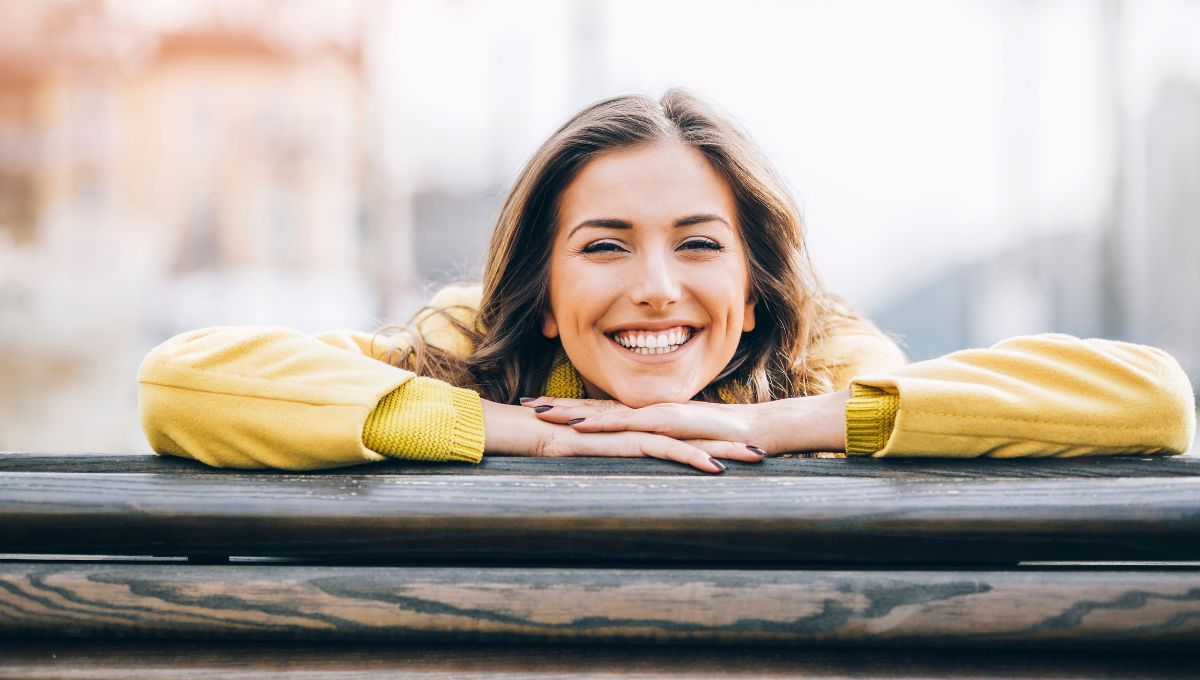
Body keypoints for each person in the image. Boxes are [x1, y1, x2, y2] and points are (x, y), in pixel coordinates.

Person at [137, 89, 1196, 474]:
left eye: (698, 245)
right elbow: (181, 382)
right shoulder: (468, 345)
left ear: (753, 285)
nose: (655, 286)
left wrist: (775, 426)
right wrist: (519, 432)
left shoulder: (820, 361)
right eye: (605, 246)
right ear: (542, 290)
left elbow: (1151, 397)